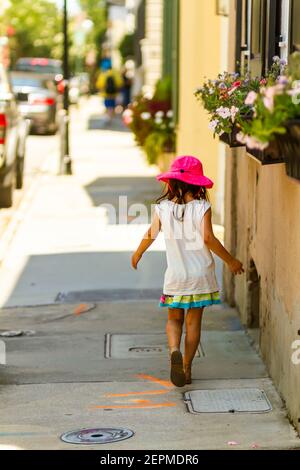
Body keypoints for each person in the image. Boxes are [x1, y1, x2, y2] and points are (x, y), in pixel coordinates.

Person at [131, 156, 244, 387]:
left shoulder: (163, 208)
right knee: (193, 325)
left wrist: (138, 253)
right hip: (200, 277)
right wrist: (231, 261)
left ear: (171, 183)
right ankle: (186, 367)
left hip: (175, 277)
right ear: (198, 184)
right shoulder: (203, 207)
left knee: (174, 320)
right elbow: (208, 238)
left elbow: (151, 234)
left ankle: (174, 349)